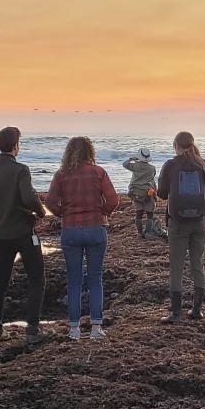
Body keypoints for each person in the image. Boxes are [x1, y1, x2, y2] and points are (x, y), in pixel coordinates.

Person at [0, 126, 48, 343]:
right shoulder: (20, 170)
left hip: (1, 235)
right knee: (36, 278)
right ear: (15, 145)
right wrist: (40, 211)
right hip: (24, 232)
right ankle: (33, 329)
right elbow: (28, 197)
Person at [45, 136, 119, 340]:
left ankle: (74, 329)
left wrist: (63, 213)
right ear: (90, 152)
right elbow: (113, 199)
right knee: (95, 278)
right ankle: (96, 328)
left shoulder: (61, 175)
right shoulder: (98, 172)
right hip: (96, 228)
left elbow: (49, 201)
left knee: (74, 279)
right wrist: (103, 212)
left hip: (71, 230)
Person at [156, 131, 205, 323]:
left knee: (177, 267)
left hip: (178, 224)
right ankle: (197, 310)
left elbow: (163, 194)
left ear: (176, 145)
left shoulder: (171, 165)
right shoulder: (204, 165)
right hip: (200, 222)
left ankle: (175, 313)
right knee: (198, 263)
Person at [123, 148, 162, 238]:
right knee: (149, 214)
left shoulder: (135, 166)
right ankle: (148, 233)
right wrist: (155, 193)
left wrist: (132, 159)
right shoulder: (152, 168)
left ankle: (140, 233)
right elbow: (152, 181)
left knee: (139, 213)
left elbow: (124, 164)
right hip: (148, 193)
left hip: (136, 193)